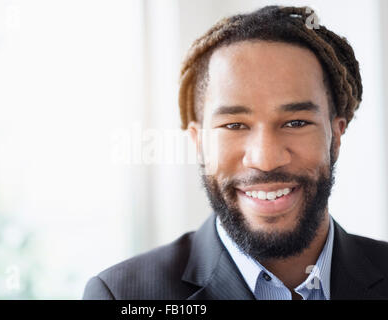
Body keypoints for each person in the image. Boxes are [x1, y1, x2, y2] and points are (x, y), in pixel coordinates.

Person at [83, 5, 388, 300]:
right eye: (234, 125)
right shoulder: (122, 295)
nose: (266, 159)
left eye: (295, 122)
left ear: (335, 135)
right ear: (199, 141)